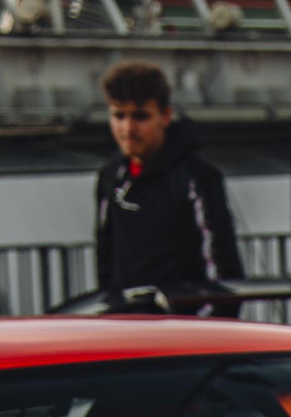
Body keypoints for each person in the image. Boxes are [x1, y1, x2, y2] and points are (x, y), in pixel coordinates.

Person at [94, 61, 244, 312]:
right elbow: (105, 257)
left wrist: (212, 330)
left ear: (165, 116)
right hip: (127, 327)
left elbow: (221, 265)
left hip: (183, 329)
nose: (128, 128)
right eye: (119, 115)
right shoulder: (111, 176)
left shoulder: (196, 178)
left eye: (140, 116)